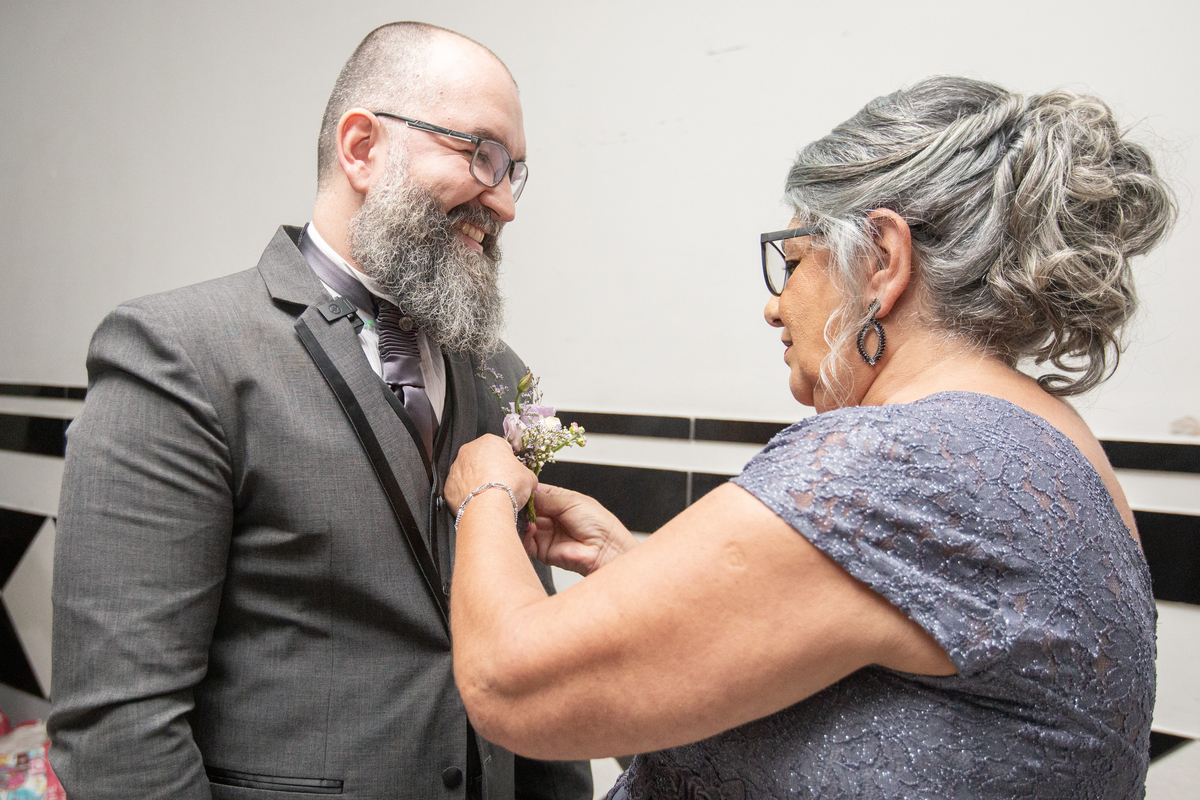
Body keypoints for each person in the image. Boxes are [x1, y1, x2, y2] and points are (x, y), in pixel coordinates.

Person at [442, 77, 1176, 799]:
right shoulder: (1051, 442)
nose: (773, 305)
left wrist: (484, 490)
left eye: (791, 261)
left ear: (883, 259)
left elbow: (509, 684)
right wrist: (625, 567)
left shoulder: (898, 465)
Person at [48, 22, 592, 800]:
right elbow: (119, 731)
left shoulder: (500, 376)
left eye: (515, 173)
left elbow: (531, 650)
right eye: (481, 156)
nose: (503, 202)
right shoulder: (179, 353)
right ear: (363, 147)